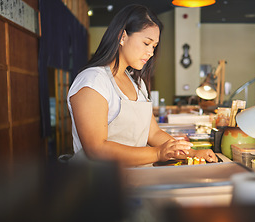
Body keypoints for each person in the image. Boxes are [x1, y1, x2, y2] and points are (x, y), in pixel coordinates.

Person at [67, 4, 217, 167]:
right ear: (122, 37)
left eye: (154, 46)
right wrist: (158, 153)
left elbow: (153, 133)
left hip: (136, 179)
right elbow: (96, 149)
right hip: (99, 184)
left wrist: (191, 153)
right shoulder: (93, 81)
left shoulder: (136, 83)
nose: (151, 52)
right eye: (147, 43)